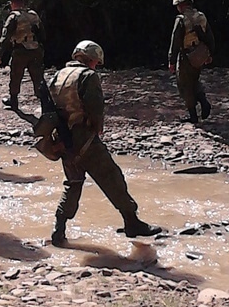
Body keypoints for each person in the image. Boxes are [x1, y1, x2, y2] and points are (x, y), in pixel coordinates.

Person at [47, 40, 162, 247]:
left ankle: (59, 230)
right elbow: (95, 107)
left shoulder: (58, 75)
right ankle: (132, 222)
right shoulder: (88, 76)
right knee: (112, 177)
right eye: (96, 62)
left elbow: (49, 107)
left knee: (73, 183)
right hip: (84, 138)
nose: (96, 66)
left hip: (63, 140)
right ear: (91, 59)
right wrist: (98, 127)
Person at [168, 0, 214, 124]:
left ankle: (193, 115)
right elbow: (210, 37)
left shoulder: (181, 20)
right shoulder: (201, 16)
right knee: (194, 80)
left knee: (184, 85)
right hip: (200, 55)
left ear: (180, 5)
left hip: (187, 56)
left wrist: (171, 61)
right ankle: (204, 102)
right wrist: (209, 54)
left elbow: (175, 42)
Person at [0, 0, 45, 110]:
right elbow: (42, 33)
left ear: (12, 4)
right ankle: (45, 102)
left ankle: (13, 101)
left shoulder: (13, 17)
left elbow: (5, 37)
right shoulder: (33, 15)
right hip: (35, 49)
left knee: (16, 75)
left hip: (20, 50)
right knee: (38, 76)